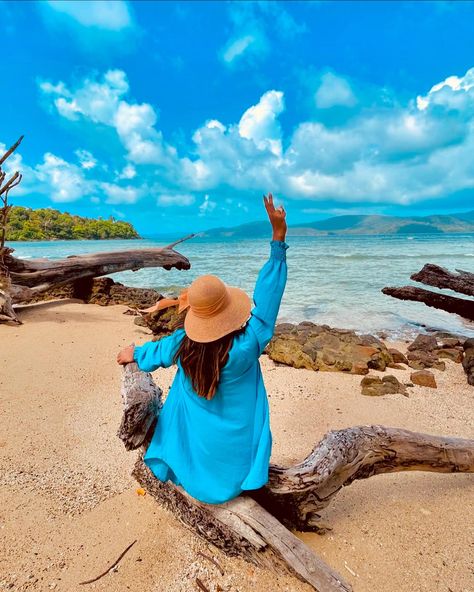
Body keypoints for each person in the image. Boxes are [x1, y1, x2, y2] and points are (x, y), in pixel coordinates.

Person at [117, 194, 288, 504]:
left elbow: (151, 355)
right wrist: (278, 240)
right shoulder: (249, 344)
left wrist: (131, 354)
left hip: (194, 466)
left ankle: (181, 462)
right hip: (236, 470)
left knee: (180, 392)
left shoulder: (182, 344)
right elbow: (268, 301)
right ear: (228, 309)